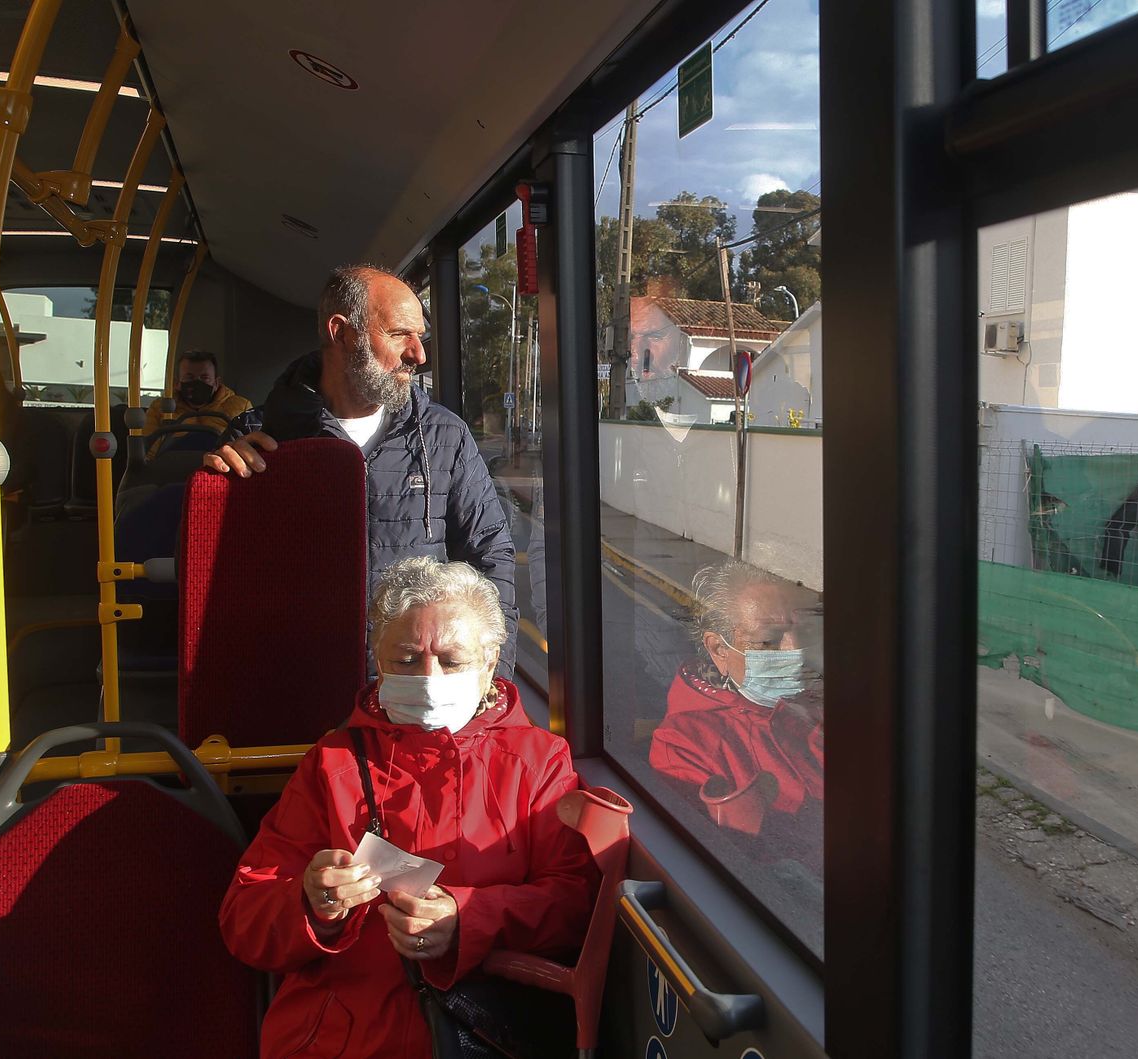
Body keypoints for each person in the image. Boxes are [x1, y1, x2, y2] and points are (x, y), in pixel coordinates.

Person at [219, 557, 596, 1058]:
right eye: (406, 660)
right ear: (377, 660)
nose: (429, 677)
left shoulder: (538, 762)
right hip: (342, 1036)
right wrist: (313, 904)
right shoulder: (332, 762)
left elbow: (576, 904)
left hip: (482, 1032)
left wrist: (468, 918)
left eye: (452, 660)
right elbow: (245, 917)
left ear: (489, 663)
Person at [206, 264, 519, 676]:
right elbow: (208, 579)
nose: (419, 355)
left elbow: (490, 558)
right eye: (399, 335)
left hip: (415, 680)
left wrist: (491, 683)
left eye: (420, 338)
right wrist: (214, 492)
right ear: (341, 332)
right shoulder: (257, 440)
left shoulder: (446, 437)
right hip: (298, 678)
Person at [648, 561, 822, 864]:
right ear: (719, 650)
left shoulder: (814, 705)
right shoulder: (683, 745)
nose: (795, 650)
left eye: (802, 634)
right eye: (769, 639)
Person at [142, 350, 253, 455]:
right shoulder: (160, 408)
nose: (197, 383)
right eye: (189, 377)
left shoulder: (241, 407)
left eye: (204, 378)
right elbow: (149, 453)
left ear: (216, 383)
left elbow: (250, 448)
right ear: (177, 383)